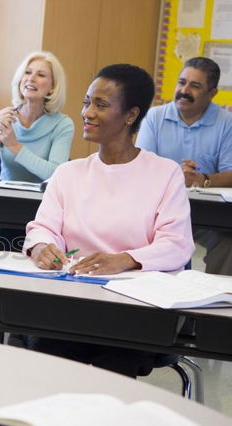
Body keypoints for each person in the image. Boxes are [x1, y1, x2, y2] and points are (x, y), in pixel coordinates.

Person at [24, 64, 194, 378]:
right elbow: (43, 227)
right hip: (70, 304)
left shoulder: (164, 173)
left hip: (132, 311)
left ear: (131, 115)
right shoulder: (69, 173)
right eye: (87, 102)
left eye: (100, 105)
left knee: (113, 369)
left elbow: (177, 246)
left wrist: (125, 260)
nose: (87, 112)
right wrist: (42, 247)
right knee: (44, 365)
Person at [0, 51, 74, 251]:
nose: (31, 78)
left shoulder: (62, 124)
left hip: (42, 211)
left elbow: (55, 173)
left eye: (41, 75)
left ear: (52, 87)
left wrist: (15, 146)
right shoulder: (0, 118)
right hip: (4, 209)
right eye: (28, 72)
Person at [136, 57, 232, 275]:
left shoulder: (227, 122)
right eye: (181, 82)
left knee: (228, 243)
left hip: (207, 214)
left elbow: (230, 173)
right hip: (159, 211)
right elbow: (141, 166)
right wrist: (174, 175)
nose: (184, 90)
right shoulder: (154, 116)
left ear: (212, 93)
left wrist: (202, 180)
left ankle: (214, 302)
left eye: (195, 86)